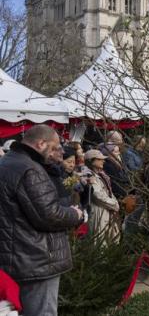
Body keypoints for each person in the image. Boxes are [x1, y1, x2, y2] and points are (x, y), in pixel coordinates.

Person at [0, 125, 83, 316]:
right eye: (54, 147)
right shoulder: (29, 168)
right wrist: (75, 214)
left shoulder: (7, 162)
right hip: (36, 259)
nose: (58, 152)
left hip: (16, 255)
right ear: (41, 143)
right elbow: (48, 215)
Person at [84, 149, 120, 240]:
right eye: (100, 159)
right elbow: (97, 195)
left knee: (111, 241)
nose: (103, 161)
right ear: (92, 161)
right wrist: (114, 204)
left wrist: (114, 202)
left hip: (107, 211)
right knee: (100, 243)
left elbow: (109, 192)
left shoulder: (101, 175)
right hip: (98, 212)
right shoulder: (88, 175)